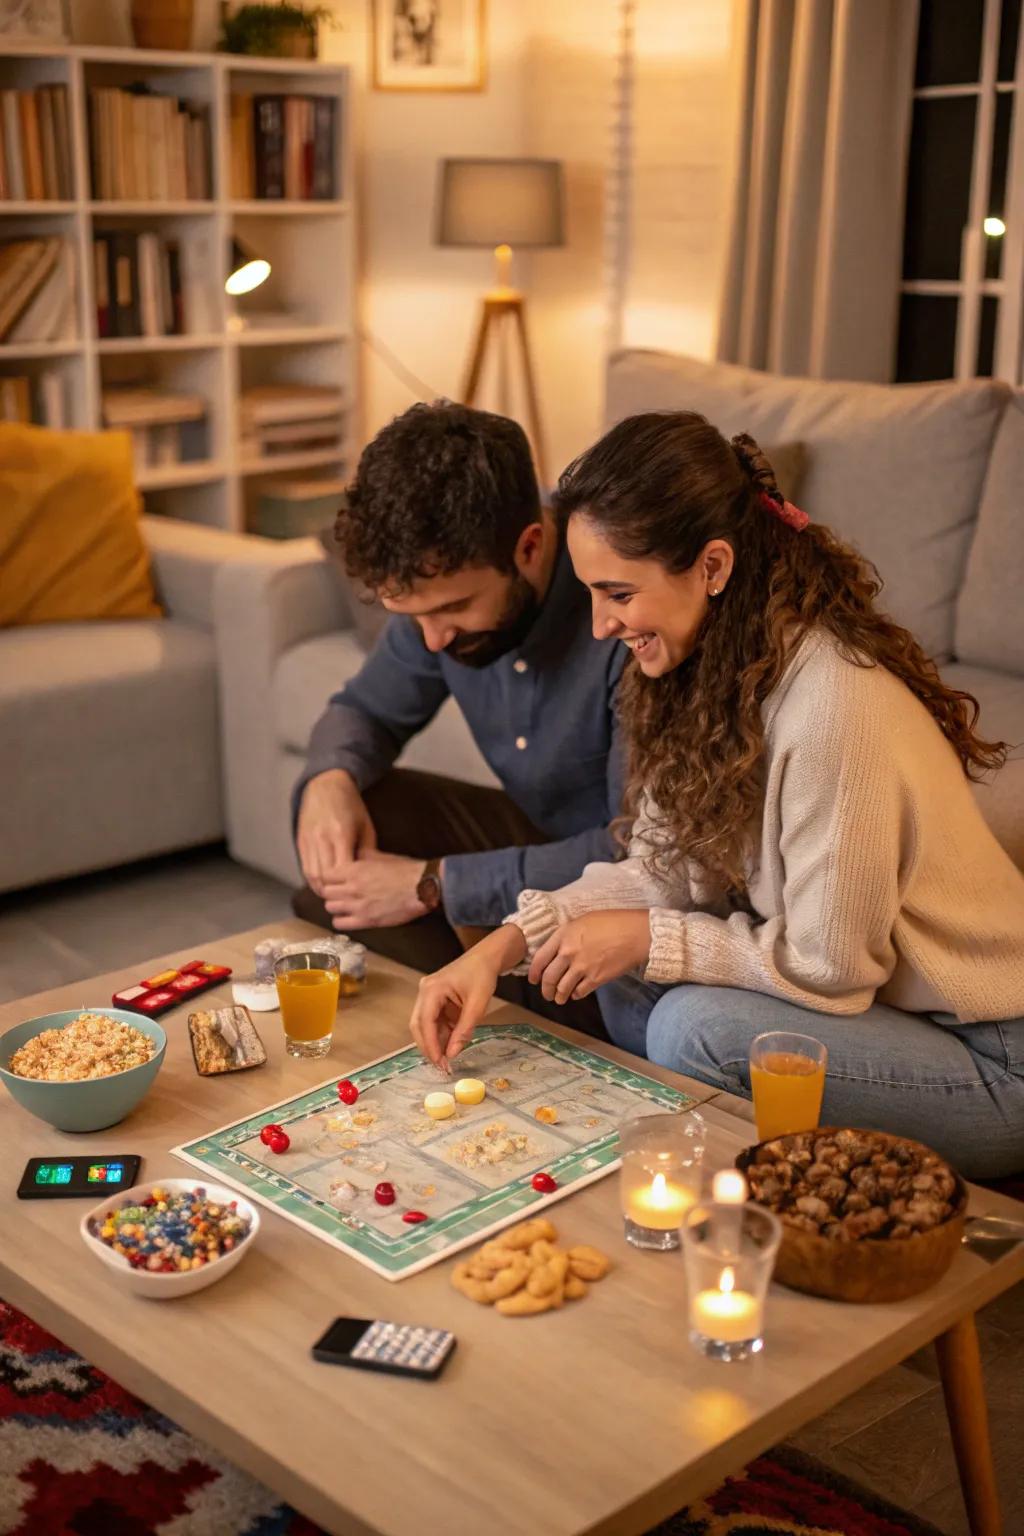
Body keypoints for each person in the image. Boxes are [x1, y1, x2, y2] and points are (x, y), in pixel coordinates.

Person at [409, 411, 1024, 1178]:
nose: (601, 625)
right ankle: (679, 1151)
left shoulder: (833, 704)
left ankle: (708, 1171)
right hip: (885, 1024)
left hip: (990, 1058)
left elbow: (834, 968)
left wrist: (646, 937)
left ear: (712, 566)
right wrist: (501, 946)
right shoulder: (706, 675)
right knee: (625, 956)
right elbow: (660, 869)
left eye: (617, 593)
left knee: (690, 1024)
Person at [292, 400, 625, 1033]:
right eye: (414, 618)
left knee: (380, 897)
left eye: (453, 609)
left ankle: (541, 1019)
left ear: (529, 546)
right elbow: (362, 711)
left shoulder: (620, 610)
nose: (433, 641)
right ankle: (478, 1011)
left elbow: (639, 850)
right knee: (355, 832)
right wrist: (327, 780)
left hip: (620, 893)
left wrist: (432, 882)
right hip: (537, 837)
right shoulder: (436, 619)